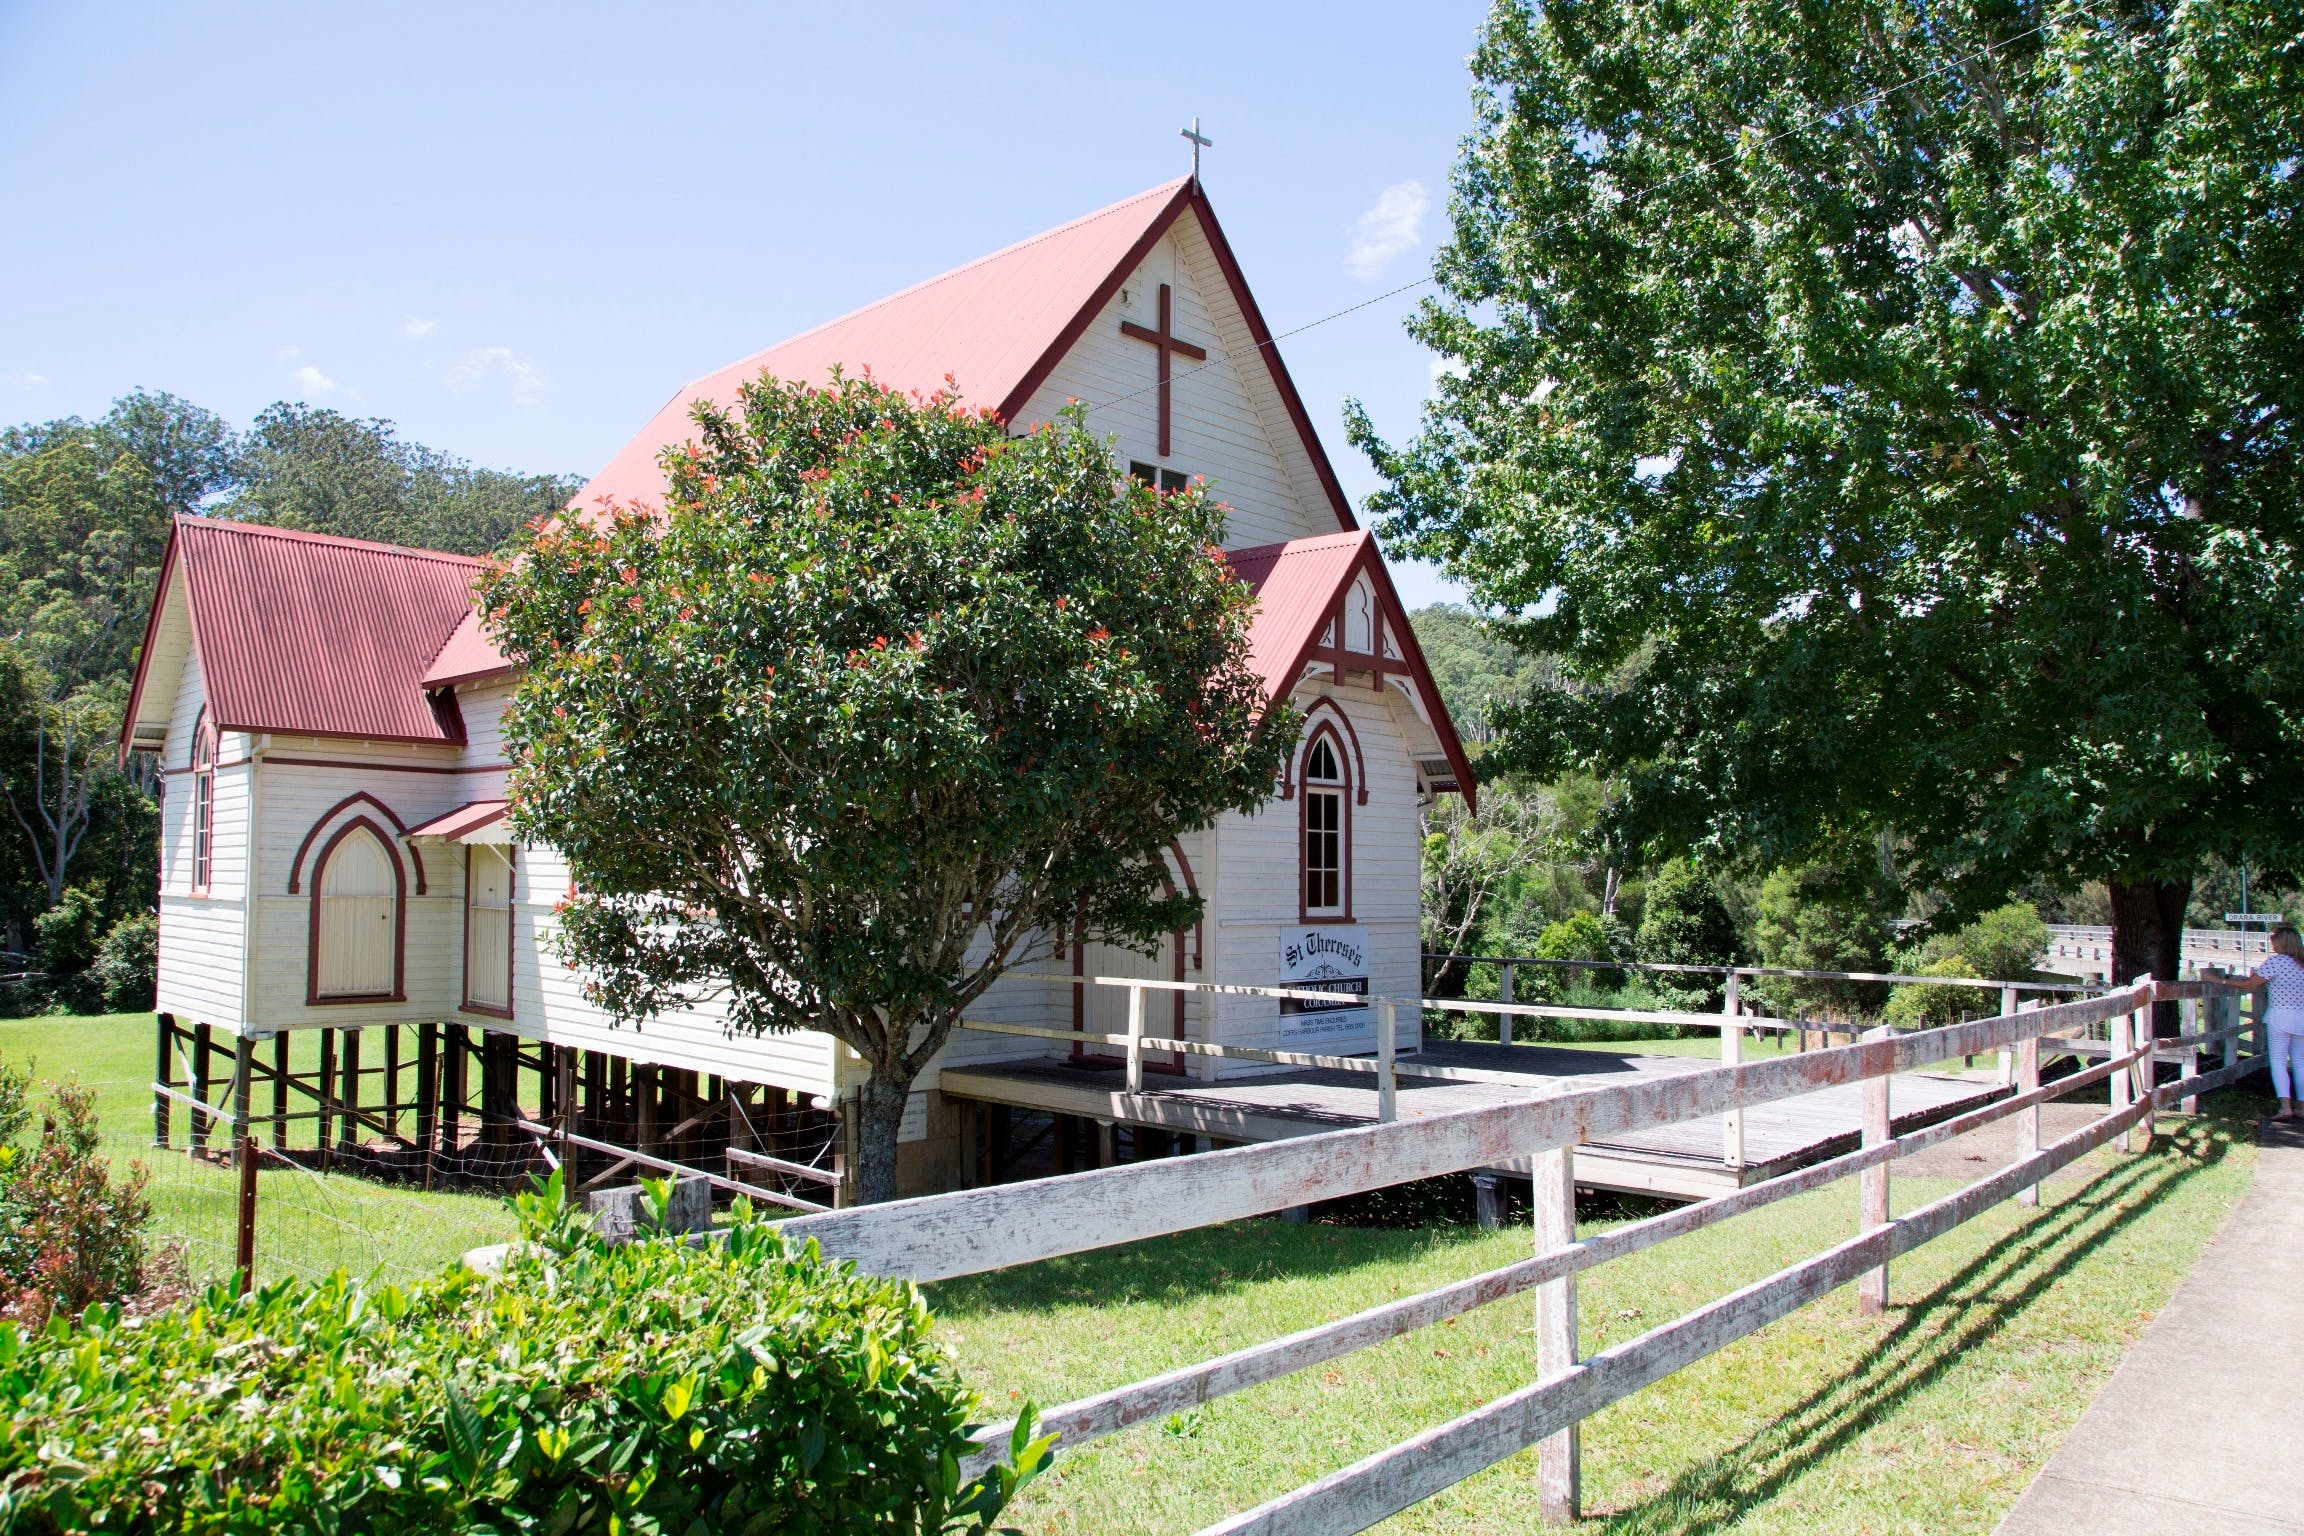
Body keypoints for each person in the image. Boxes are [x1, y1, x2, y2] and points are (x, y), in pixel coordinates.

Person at [2241, 925, 2304, 1119]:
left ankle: (2285, 1106)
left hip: (2279, 1016)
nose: (2272, 946)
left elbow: (2251, 983)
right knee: (2300, 1062)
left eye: (2274, 942)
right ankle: (2302, 1106)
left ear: (2282, 942)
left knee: (2278, 1061)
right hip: (2301, 1017)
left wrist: (2222, 981)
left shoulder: (2276, 962)